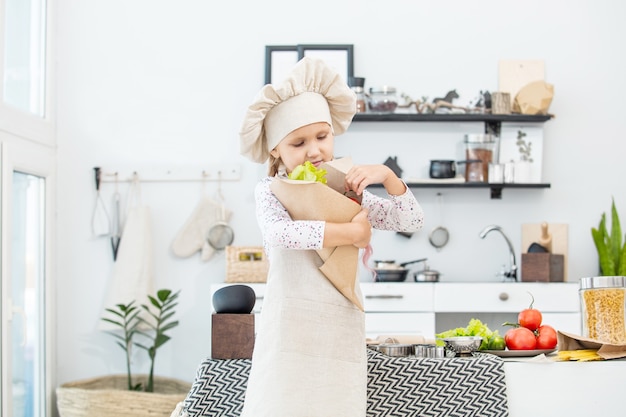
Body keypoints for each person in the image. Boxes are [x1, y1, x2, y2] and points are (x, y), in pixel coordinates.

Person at [238, 57, 424, 417]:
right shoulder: (271, 190)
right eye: (298, 143)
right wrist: (350, 232)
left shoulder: (346, 186)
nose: (314, 150)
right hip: (290, 321)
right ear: (276, 149)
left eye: (322, 137)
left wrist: (387, 176)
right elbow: (279, 233)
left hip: (338, 322)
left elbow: (411, 220)